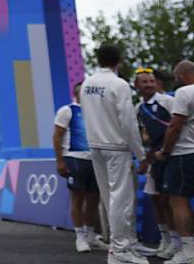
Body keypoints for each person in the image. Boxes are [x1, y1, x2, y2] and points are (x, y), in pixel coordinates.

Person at [80, 44, 147, 264]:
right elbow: (128, 122)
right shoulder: (119, 84)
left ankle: (123, 246)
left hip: (95, 145)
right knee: (122, 199)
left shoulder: (87, 83)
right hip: (116, 146)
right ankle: (120, 250)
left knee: (110, 199)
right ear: (119, 59)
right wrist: (141, 153)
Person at [54, 83, 110, 253]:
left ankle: (91, 235)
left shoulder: (97, 113)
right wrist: (60, 161)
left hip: (95, 160)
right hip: (75, 158)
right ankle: (80, 236)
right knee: (78, 199)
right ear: (77, 94)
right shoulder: (68, 110)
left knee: (94, 199)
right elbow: (57, 137)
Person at [133, 68, 181, 259]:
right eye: (144, 82)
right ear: (137, 86)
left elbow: (179, 126)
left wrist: (166, 151)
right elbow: (146, 134)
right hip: (154, 158)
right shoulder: (138, 108)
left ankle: (177, 242)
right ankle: (165, 240)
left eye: (151, 81)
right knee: (156, 199)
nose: (149, 85)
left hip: (171, 156)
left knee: (168, 199)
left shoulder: (167, 101)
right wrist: (146, 158)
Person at [158, 60, 194, 264]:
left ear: (181, 75)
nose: (174, 79)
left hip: (184, 154)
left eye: (175, 76)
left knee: (178, 201)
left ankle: (189, 253)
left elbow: (174, 127)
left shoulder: (184, 92)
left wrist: (164, 151)